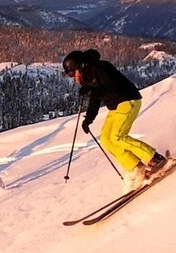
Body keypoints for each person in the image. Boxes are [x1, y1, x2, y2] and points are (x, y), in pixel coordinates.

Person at [62, 49, 167, 184]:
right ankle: (137, 168)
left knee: (118, 137)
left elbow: (112, 86)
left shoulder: (100, 67)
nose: (73, 78)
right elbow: (95, 100)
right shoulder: (87, 78)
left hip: (128, 100)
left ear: (80, 67)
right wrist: (88, 119)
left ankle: (155, 159)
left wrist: (92, 90)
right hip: (116, 106)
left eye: (72, 73)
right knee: (106, 140)